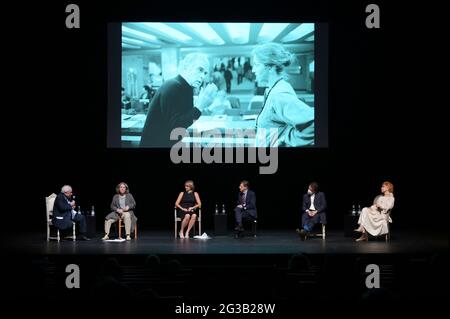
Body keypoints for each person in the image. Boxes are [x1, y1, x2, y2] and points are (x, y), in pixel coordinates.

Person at [140, 53, 218, 147]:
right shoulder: (174, 87)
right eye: (200, 70)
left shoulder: (185, 87)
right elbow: (176, 127)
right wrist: (199, 106)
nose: (203, 76)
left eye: (205, 73)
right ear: (186, 67)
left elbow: (183, 121)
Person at [252, 43, 314, 147]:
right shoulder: (272, 89)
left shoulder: (279, 95)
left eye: (256, 65)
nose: (253, 70)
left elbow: (313, 123)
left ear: (270, 67)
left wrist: (285, 141)